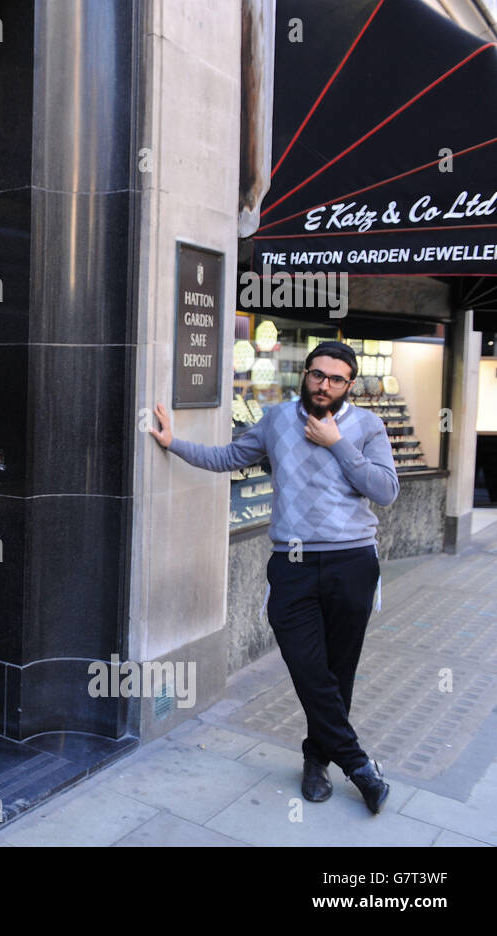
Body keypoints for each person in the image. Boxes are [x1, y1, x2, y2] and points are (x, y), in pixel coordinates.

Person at [148, 340, 399, 814]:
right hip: (293, 565)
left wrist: (337, 444)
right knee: (307, 667)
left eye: (336, 378)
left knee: (336, 674)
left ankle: (317, 761)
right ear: (305, 374)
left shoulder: (367, 426)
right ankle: (359, 765)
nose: (324, 384)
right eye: (317, 374)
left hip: (352, 562)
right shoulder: (277, 419)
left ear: (350, 385)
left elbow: (384, 491)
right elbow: (228, 458)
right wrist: (173, 443)